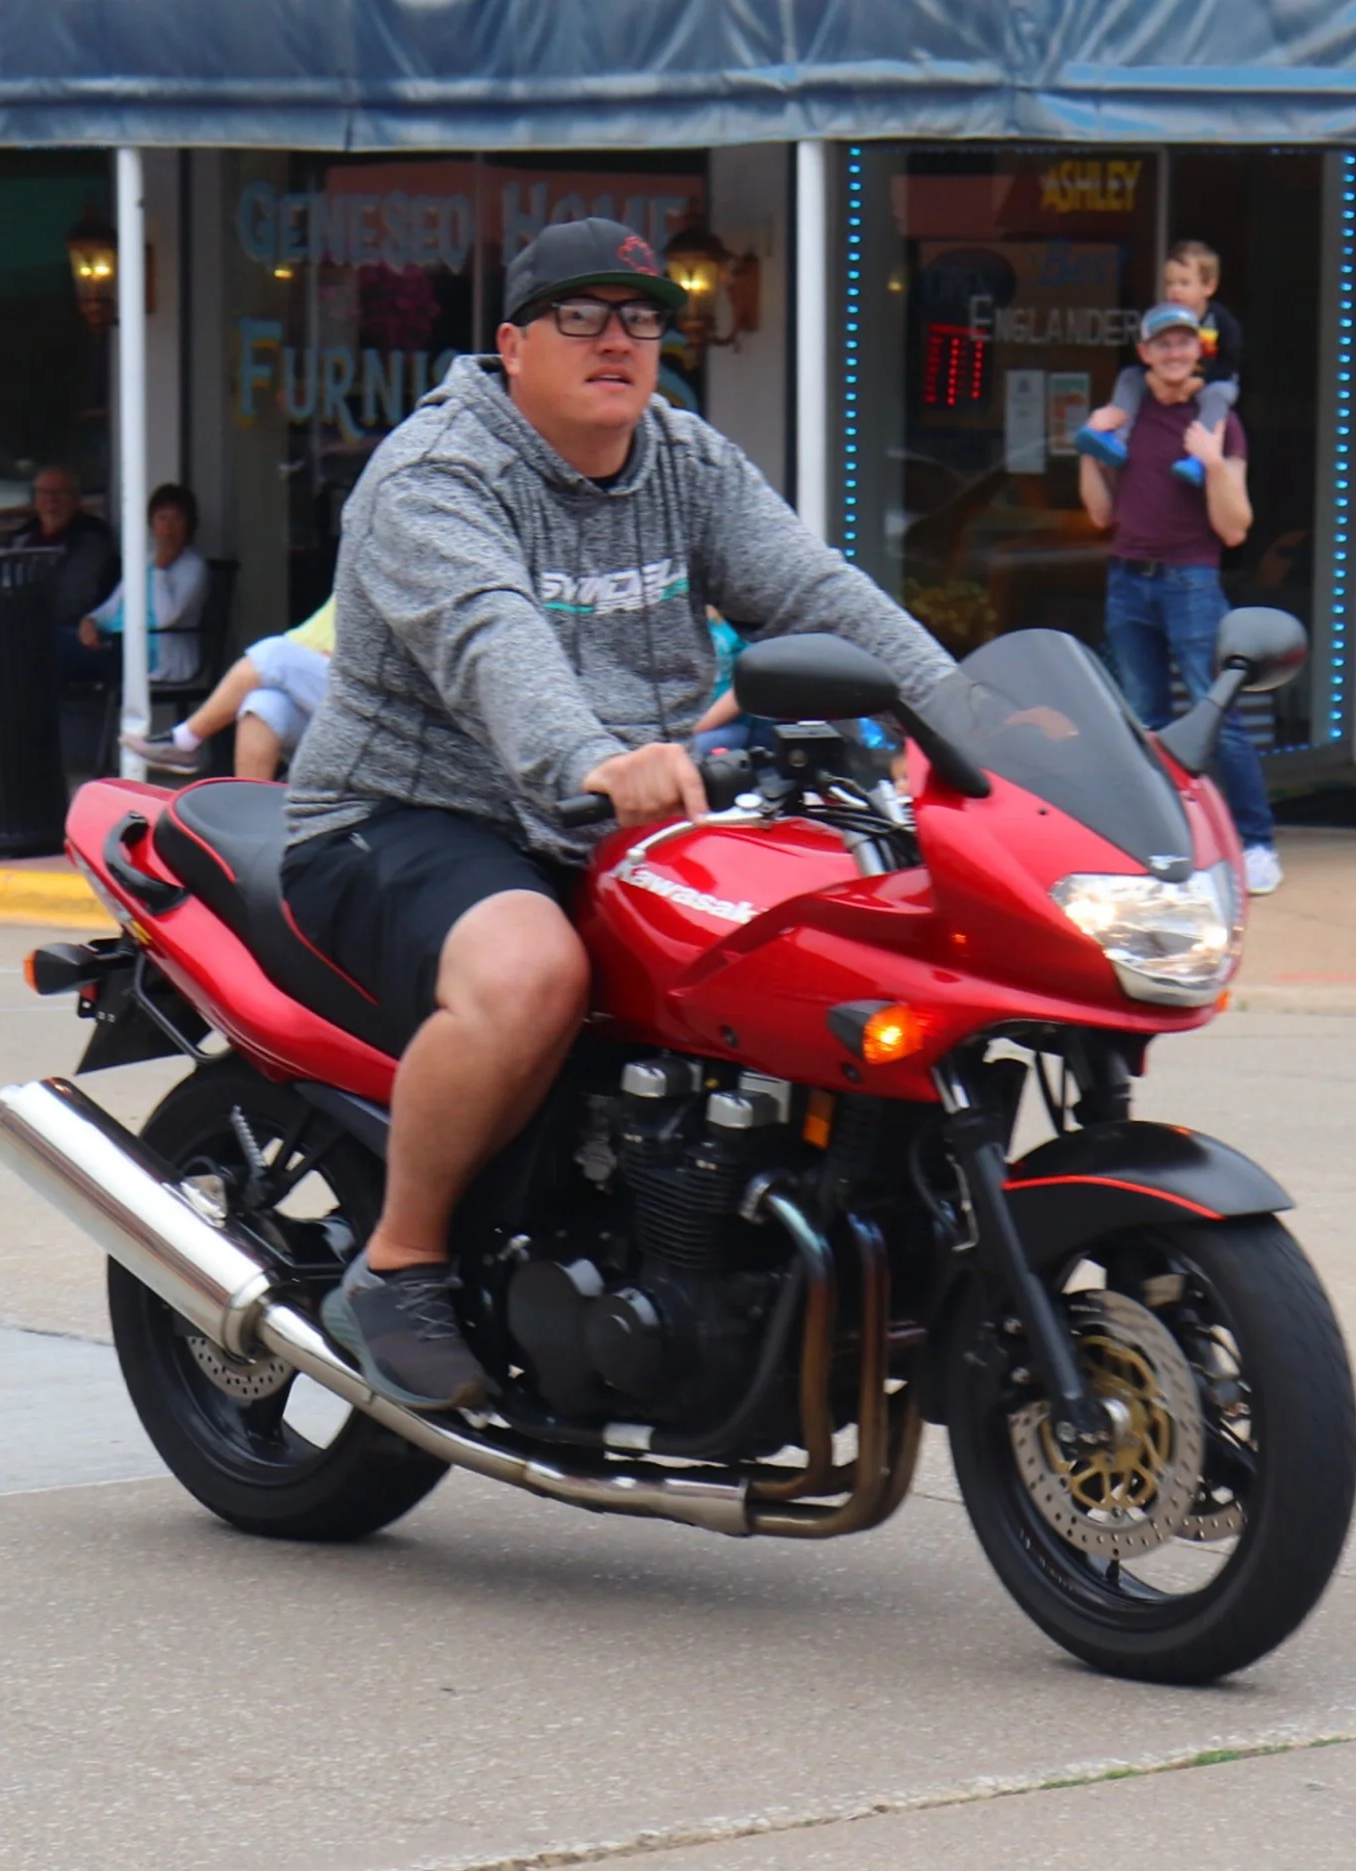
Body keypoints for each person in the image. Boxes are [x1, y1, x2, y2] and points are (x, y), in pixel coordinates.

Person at [283, 217, 953, 1410]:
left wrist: (973, 722)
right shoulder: (437, 475)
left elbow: (816, 591)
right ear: (511, 345)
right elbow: (490, 638)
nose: (616, 341)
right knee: (531, 971)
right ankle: (398, 1263)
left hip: (620, 816)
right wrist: (591, 760)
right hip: (410, 810)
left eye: (640, 318)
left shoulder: (683, 460)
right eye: (580, 316)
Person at [1077, 300, 1283, 897]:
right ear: (1144, 353)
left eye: (1184, 343)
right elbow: (1099, 513)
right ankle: (1164, 846)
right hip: (1128, 579)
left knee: (1218, 718)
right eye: (1163, 344)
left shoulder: (1219, 419)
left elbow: (1235, 528)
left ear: (1200, 351)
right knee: (1145, 721)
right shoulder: (1128, 413)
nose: (1174, 353)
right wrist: (1090, 445)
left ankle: (1256, 844)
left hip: (1192, 580)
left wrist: (1213, 464)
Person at [1076, 241, 1246, 488]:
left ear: (1208, 286)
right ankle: (1117, 438)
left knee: (1218, 396)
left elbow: (1231, 360)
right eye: (1169, 283)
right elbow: (1144, 350)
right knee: (1129, 377)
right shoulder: (1158, 316)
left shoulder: (1222, 321)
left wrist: (1200, 381)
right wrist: (1151, 376)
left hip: (1213, 380)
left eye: (1184, 283)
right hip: (1164, 379)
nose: (1175, 290)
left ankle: (1198, 458)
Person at [122, 597, 333, 780]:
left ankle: (185, 740)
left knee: (274, 654)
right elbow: (302, 639)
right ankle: (248, 810)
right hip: (333, 700)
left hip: (354, 707)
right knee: (262, 705)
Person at [78, 482, 208, 687]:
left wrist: (160, 569)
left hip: (158, 658)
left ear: (189, 524)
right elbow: (114, 606)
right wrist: (90, 621)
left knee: (56, 653)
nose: (168, 527)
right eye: (162, 518)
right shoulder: (145, 561)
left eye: (177, 519)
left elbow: (165, 618)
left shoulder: (193, 566)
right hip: (120, 646)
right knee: (54, 644)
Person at [11, 464, 120, 681]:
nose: (51, 500)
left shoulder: (91, 539)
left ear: (76, 499)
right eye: (44, 493)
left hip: (76, 631)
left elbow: (76, 600)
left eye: (60, 493)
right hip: (24, 626)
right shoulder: (22, 537)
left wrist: (26, 615)